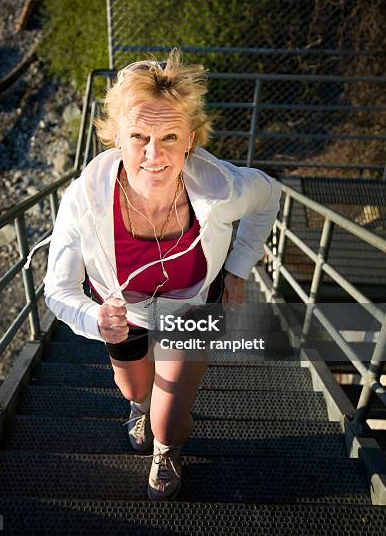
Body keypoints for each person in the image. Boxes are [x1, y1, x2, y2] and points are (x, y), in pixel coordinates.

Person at [43, 50, 282, 499]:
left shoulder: (222, 189)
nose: (154, 155)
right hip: (125, 315)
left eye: (169, 136)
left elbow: (270, 197)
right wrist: (94, 318)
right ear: (117, 137)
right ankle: (136, 406)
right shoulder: (84, 200)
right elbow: (57, 288)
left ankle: (166, 449)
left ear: (190, 138)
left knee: (168, 418)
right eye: (138, 136)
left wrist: (237, 268)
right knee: (133, 387)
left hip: (191, 308)